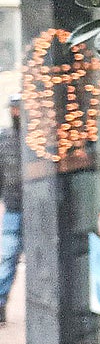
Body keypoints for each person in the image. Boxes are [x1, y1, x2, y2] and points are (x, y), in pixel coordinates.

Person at [0, 98, 20, 324]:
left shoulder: (35, 139)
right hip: (14, 207)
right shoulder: (4, 139)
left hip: (33, 207)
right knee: (7, 258)